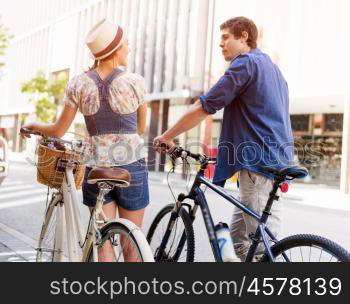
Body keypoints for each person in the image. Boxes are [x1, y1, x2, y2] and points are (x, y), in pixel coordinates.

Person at [154, 16, 294, 261]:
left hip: (259, 164)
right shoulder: (272, 69)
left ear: (244, 37)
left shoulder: (245, 64)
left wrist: (166, 137)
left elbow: (205, 106)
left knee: (262, 251)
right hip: (273, 161)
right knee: (238, 246)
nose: (221, 44)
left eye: (226, 37)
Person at [21, 19, 149, 262]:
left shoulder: (78, 83)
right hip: (132, 166)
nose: (129, 49)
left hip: (97, 167)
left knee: (102, 241)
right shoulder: (135, 82)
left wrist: (34, 125)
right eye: (126, 45)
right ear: (115, 49)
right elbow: (140, 129)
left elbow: (58, 130)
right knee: (132, 243)